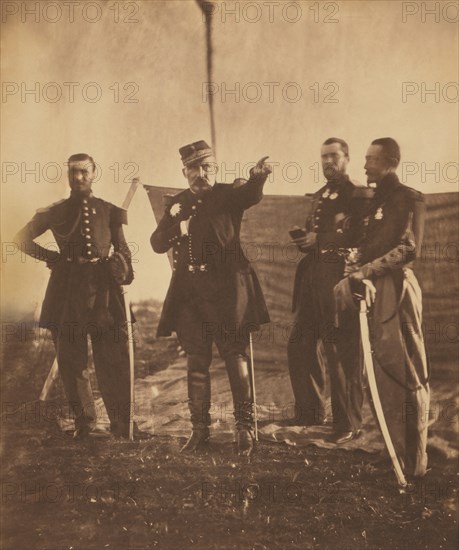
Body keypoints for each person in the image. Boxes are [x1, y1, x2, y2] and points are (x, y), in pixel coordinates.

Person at [151, 140, 271, 456]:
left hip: (227, 290)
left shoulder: (229, 195)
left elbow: (251, 195)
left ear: (214, 169)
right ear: (184, 172)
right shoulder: (176, 204)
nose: (200, 173)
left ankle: (244, 430)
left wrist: (258, 177)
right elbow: (157, 243)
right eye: (194, 168)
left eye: (207, 167)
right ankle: (199, 431)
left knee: (235, 356)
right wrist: (178, 225)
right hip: (190, 293)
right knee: (196, 361)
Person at [15, 153, 134, 439]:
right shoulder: (56, 211)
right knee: (72, 359)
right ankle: (86, 424)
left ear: (94, 173)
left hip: (104, 292)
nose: (78, 177)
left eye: (83, 172)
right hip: (66, 291)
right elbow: (20, 238)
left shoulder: (109, 210)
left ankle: (121, 425)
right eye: (73, 172)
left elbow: (122, 248)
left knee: (112, 358)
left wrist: (125, 271)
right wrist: (53, 258)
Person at [334, 137, 430, 476]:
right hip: (373, 289)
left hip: (397, 289)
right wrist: (354, 264)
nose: (364, 166)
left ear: (390, 162)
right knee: (378, 371)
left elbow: (408, 250)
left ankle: (413, 461)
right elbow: (368, 246)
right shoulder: (376, 203)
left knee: (404, 371)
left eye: (371, 160)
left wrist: (365, 271)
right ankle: (392, 448)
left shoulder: (408, 198)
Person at [288, 137, 365, 444]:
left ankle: (348, 423)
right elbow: (317, 231)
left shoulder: (356, 194)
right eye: (323, 157)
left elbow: (359, 236)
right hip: (312, 279)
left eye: (333, 155)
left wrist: (318, 241)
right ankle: (309, 413)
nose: (327, 161)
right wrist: (305, 239)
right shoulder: (321, 194)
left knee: (341, 351)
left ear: (347, 157)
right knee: (299, 343)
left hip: (338, 281)